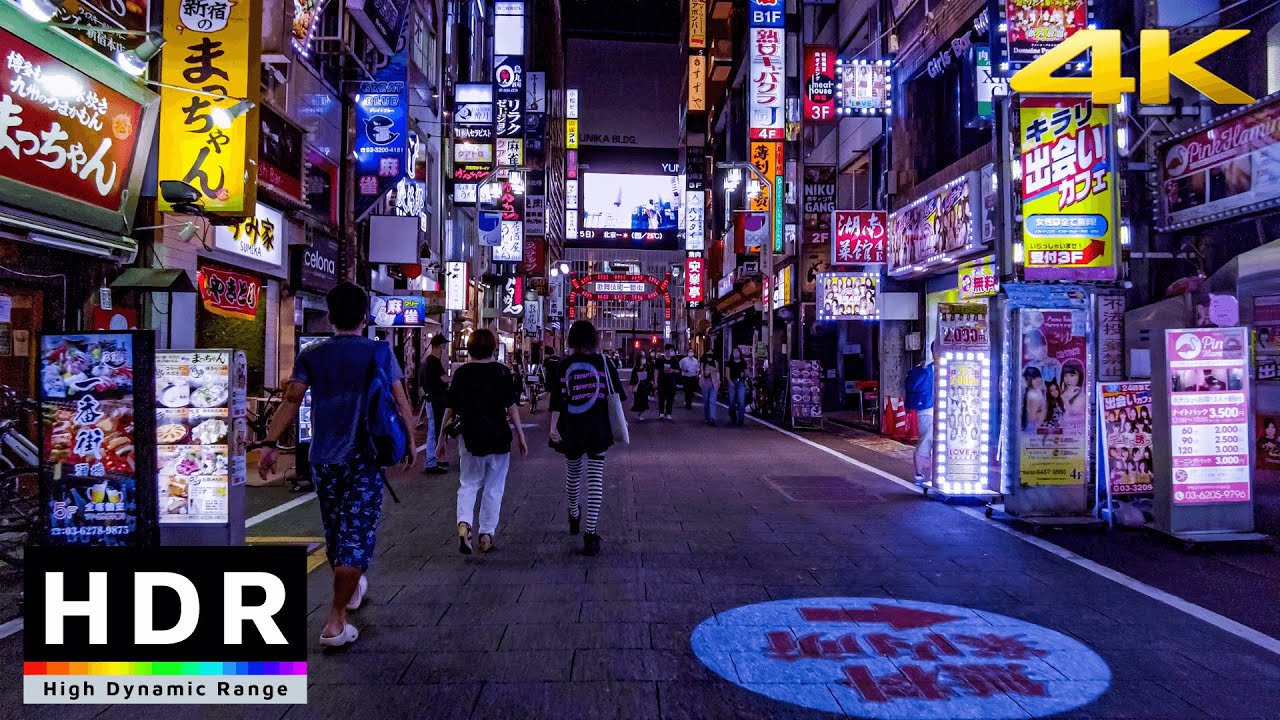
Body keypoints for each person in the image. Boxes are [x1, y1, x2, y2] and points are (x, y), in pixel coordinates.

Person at [259, 282, 417, 648]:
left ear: (330, 316)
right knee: (356, 537)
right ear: (365, 317)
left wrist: (269, 443)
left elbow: (291, 399)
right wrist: (410, 438)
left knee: (336, 534)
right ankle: (335, 619)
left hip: (323, 460)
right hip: (364, 459)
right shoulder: (379, 351)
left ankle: (353, 588)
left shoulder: (312, 355)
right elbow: (400, 398)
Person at [436, 329, 528, 554]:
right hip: (498, 437)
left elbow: (450, 409)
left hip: (470, 438)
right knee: (494, 487)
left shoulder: (461, 374)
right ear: (493, 348)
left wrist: (440, 440)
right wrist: (521, 436)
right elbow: (512, 407)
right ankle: (486, 534)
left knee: (468, 484)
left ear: (470, 348)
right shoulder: (502, 372)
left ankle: (464, 523)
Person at [549, 321, 626, 556]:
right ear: (594, 339)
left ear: (572, 339)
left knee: (572, 476)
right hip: (597, 429)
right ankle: (591, 533)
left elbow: (558, 399)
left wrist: (553, 426)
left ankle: (574, 513)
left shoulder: (564, 365)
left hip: (571, 428)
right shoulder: (605, 363)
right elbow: (618, 397)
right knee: (595, 480)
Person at [905, 338, 939, 485]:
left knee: (938, 443)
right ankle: (919, 475)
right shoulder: (925, 369)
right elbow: (912, 386)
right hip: (928, 409)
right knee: (927, 440)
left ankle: (934, 476)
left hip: (945, 410)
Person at [419, 334, 451, 475]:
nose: (444, 349)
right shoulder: (433, 361)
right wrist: (457, 377)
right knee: (434, 429)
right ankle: (431, 462)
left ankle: (437, 458)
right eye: (443, 346)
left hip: (431, 399)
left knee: (437, 428)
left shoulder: (426, 362)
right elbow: (444, 379)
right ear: (439, 346)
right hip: (435, 400)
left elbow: (421, 385)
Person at [725, 347, 749, 427]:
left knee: (741, 401)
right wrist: (730, 382)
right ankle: (732, 415)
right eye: (734, 352)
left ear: (740, 353)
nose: (736, 353)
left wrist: (745, 375)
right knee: (732, 401)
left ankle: (741, 419)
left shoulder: (743, 363)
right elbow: (727, 374)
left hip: (741, 382)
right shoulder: (729, 363)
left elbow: (746, 373)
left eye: (737, 352)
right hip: (732, 381)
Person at [656, 344, 680, 420]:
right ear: (666, 350)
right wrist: (655, 381)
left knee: (670, 398)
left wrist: (673, 370)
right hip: (662, 381)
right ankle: (661, 413)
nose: (672, 352)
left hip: (671, 381)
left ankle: (669, 413)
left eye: (673, 350)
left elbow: (678, 370)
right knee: (661, 398)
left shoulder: (675, 360)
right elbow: (656, 371)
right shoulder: (660, 359)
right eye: (671, 350)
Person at [630, 352, 653, 421]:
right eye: (642, 358)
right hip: (638, 387)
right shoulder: (635, 369)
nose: (644, 359)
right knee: (638, 401)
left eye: (644, 358)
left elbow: (650, 377)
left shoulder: (647, 367)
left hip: (645, 387)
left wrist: (651, 382)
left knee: (644, 401)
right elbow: (633, 379)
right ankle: (639, 414)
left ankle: (640, 414)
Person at [699, 354, 720, 426]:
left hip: (714, 382)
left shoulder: (715, 361)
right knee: (706, 401)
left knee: (712, 400)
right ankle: (707, 417)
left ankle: (713, 418)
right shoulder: (703, 362)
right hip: (706, 382)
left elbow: (717, 371)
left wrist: (718, 381)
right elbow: (701, 373)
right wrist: (701, 381)